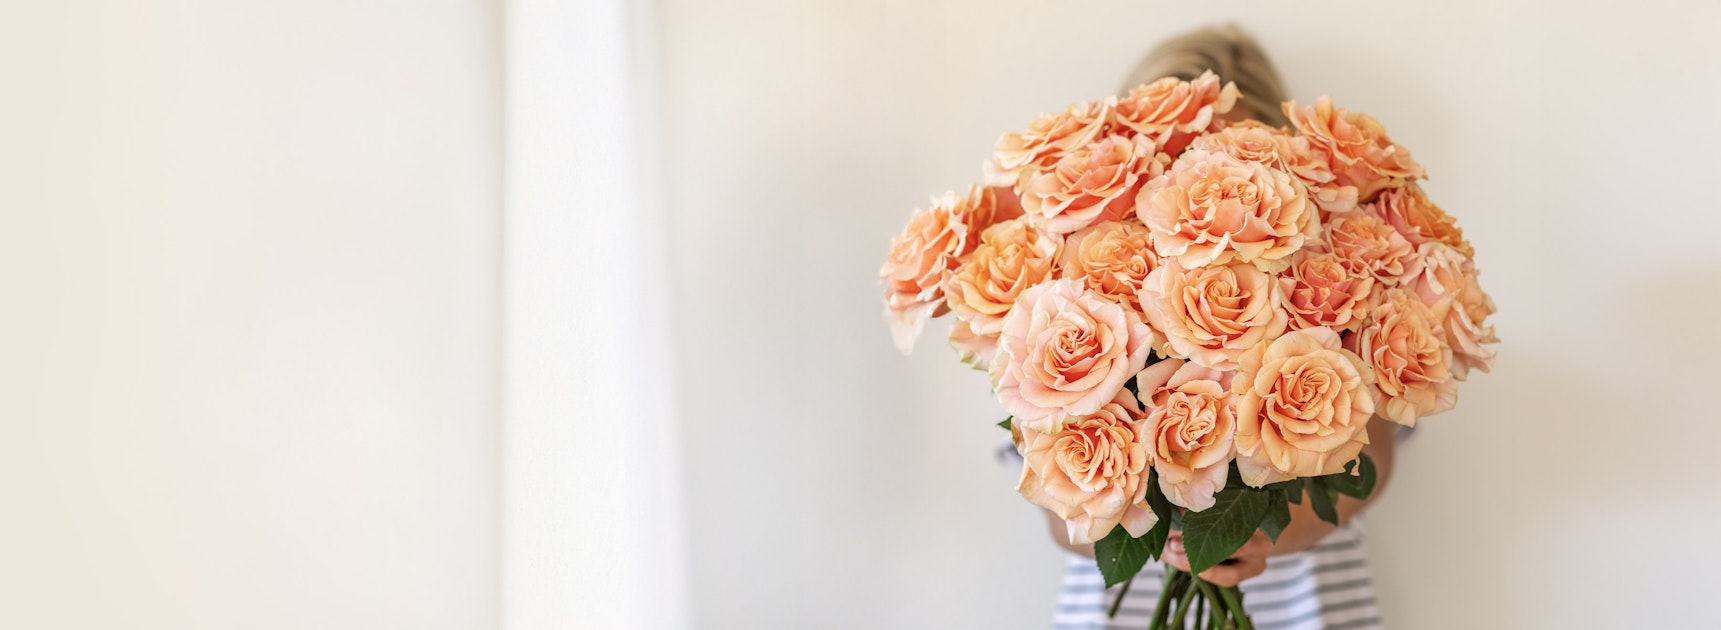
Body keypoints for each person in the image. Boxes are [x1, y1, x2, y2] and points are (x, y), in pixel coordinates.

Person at [1039, 25, 1396, 630]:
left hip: (1301, 600)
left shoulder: (1336, 285)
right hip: (1119, 601)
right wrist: (1179, 542)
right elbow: (1060, 519)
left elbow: (1369, 468)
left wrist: (1249, 534)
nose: (1210, 179)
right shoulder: (1066, 300)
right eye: (1181, 152)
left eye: (1238, 152)